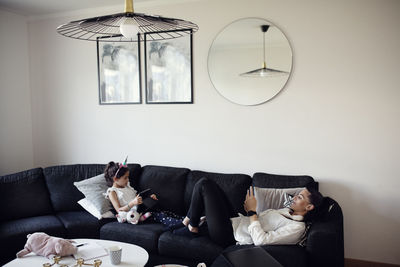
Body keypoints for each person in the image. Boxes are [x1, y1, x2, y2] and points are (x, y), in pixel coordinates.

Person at [173, 178, 323, 248]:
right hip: (238, 221)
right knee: (210, 185)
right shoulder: (289, 211)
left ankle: (190, 225)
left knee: (204, 185)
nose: (295, 197)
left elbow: (261, 240)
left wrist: (252, 212)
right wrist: (249, 211)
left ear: (309, 207)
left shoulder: (296, 228)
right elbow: (265, 220)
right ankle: (189, 222)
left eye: (300, 197)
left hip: (229, 235)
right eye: (297, 195)